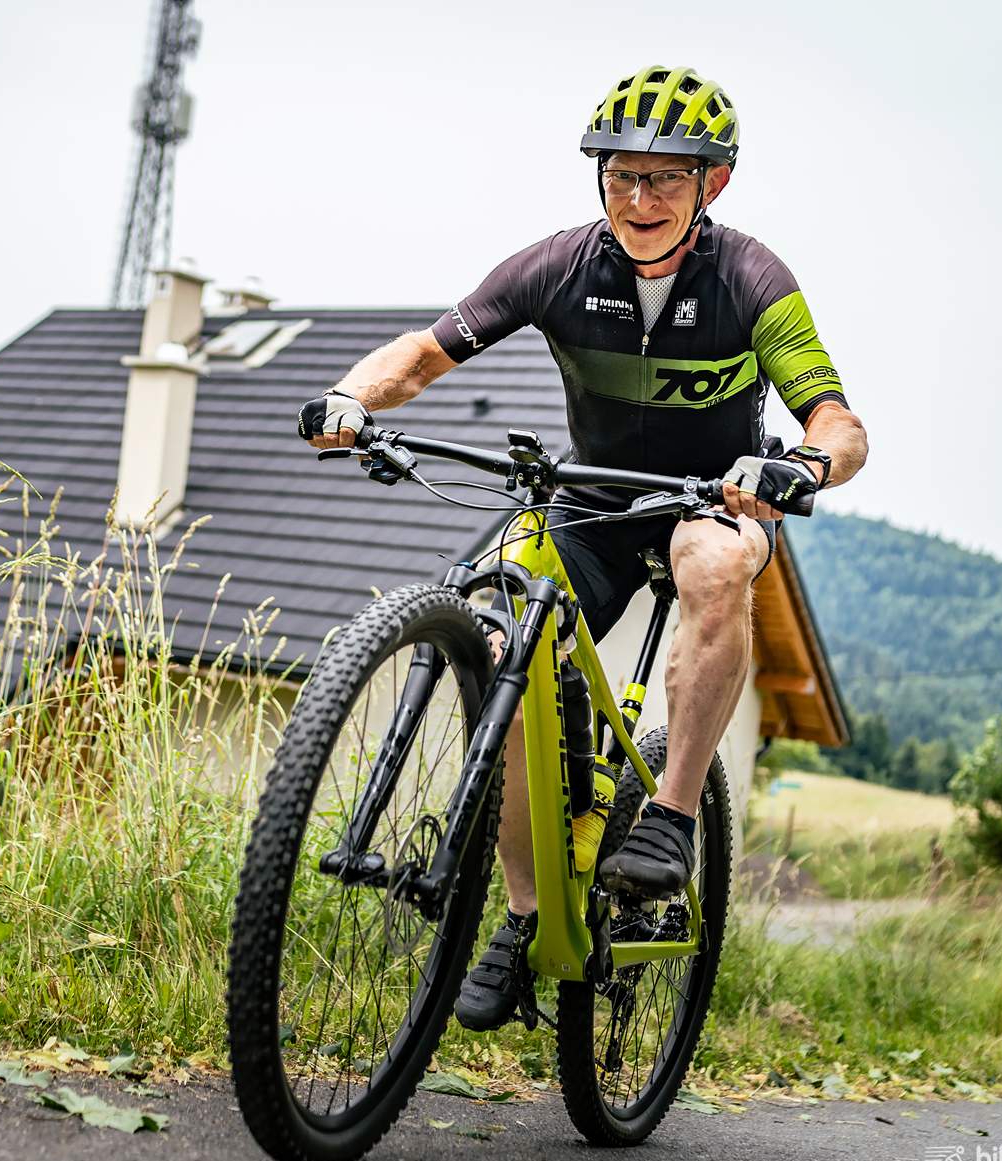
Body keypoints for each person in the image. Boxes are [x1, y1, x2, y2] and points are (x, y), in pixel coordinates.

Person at [297, 64, 867, 1030]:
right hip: (591, 502)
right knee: (509, 643)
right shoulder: (558, 265)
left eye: (666, 178)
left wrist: (801, 466)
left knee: (716, 564)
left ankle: (672, 815)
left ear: (714, 183)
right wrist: (351, 397)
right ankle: (525, 918)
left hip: (709, 498)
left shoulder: (752, 279)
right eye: (621, 176)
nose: (640, 199)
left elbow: (839, 424)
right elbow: (425, 353)